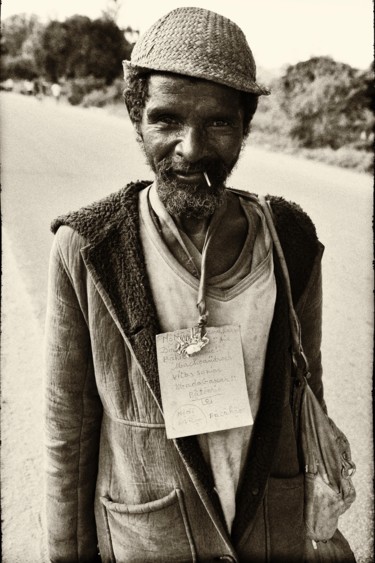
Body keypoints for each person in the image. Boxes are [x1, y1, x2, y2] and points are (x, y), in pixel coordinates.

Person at [44, 7, 355, 562]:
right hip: (150, 543)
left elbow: (309, 394)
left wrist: (319, 528)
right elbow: (68, 435)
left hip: (272, 540)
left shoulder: (290, 237)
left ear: (245, 126)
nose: (192, 147)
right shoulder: (87, 247)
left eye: (218, 122)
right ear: (137, 119)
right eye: (166, 120)